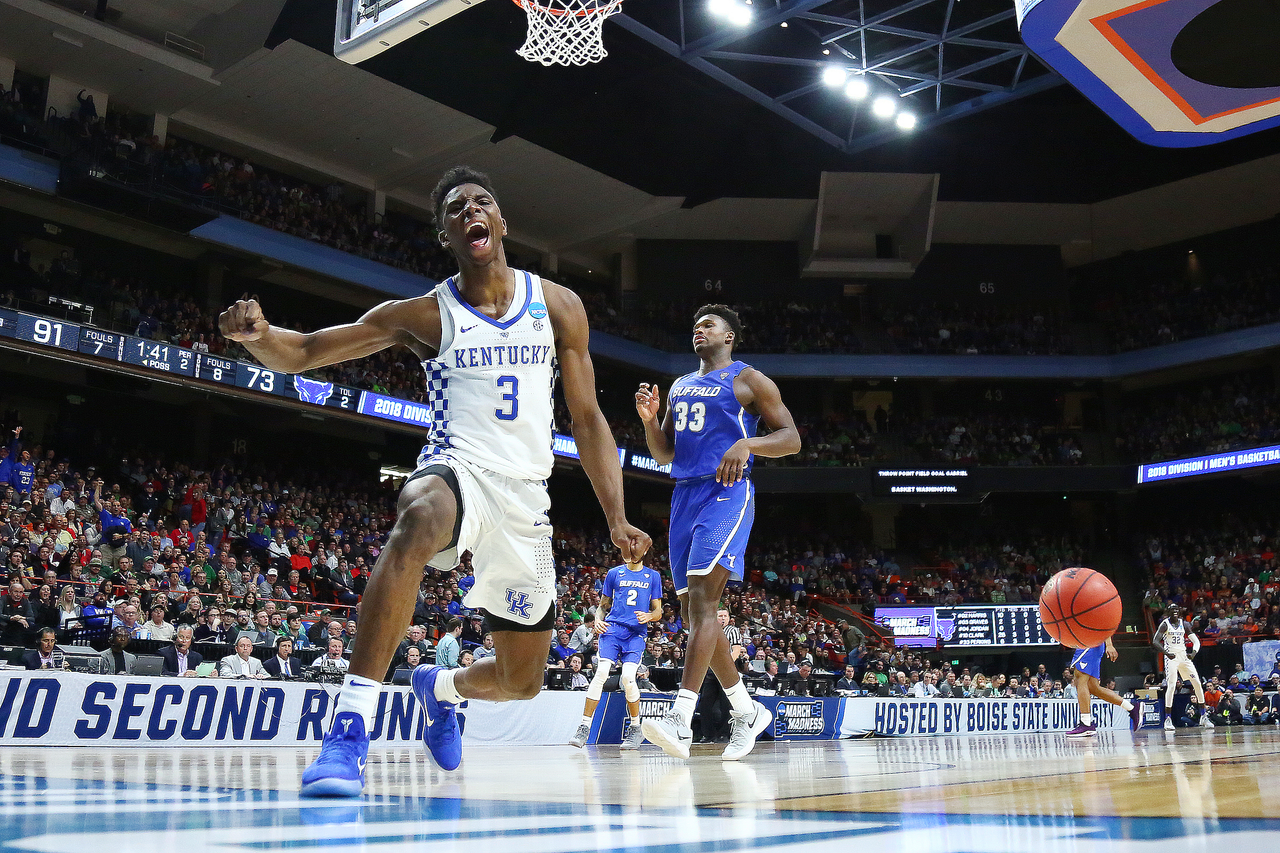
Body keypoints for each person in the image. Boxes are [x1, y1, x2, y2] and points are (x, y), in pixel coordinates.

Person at [222, 166, 650, 797]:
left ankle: (440, 688)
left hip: (527, 495)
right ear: (447, 234)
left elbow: (587, 418)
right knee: (419, 515)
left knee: (521, 681)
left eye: (483, 201)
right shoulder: (423, 314)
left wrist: (614, 515)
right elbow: (309, 349)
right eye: (457, 208)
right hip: (460, 468)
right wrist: (260, 338)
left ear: (501, 223)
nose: (471, 210)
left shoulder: (560, 305)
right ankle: (348, 733)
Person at [635, 303, 800, 761]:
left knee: (706, 605)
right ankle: (747, 712)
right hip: (684, 495)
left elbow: (791, 438)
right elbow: (665, 453)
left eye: (708, 325)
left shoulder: (750, 380)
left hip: (726, 494)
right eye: (694, 326)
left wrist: (747, 443)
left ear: (730, 337)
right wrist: (650, 422)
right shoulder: (681, 384)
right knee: (693, 616)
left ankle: (680, 720)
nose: (698, 331)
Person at [569, 557, 662, 749]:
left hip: (636, 633)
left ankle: (636, 728)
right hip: (612, 630)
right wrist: (597, 620)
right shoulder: (614, 573)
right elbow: (603, 606)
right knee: (601, 672)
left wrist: (650, 616)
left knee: (628, 678)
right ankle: (584, 727)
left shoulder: (653, 576)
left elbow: (658, 611)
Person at [1151, 604, 1212, 730]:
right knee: (1172, 685)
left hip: (1184, 656)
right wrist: (1166, 653)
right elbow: (1155, 641)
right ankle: (1168, 719)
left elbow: (1196, 641)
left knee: (1197, 683)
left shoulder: (1184, 624)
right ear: (1168, 612)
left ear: (1179, 612)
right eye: (1172, 609)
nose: (1174, 611)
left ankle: (1203, 716)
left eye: (1176, 610)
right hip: (1171, 657)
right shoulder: (1165, 624)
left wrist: (1194, 653)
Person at [1064, 636, 1138, 737]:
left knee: (1080, 677)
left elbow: (1103, 622)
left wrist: (1109, 644)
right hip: (1093, 643)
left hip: (1089, 641)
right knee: (1093, 687)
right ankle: (1132, 708)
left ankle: (1086, 723)